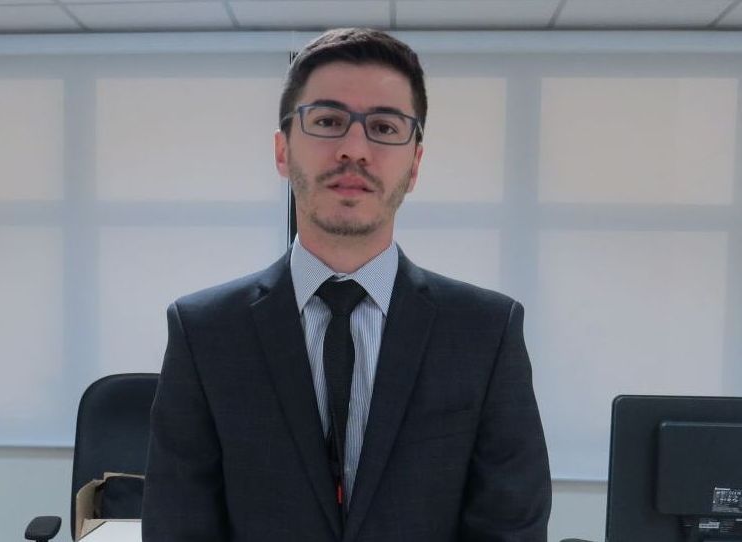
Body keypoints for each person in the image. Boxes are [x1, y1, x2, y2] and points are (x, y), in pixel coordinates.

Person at [142, 27, 551, 542]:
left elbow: (511, 527)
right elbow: (178, 525)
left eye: (384, 127)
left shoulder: (485, 333)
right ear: (282, 151)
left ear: (415, 164)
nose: (354, 149)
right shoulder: (204, 332)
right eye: (328, 121)